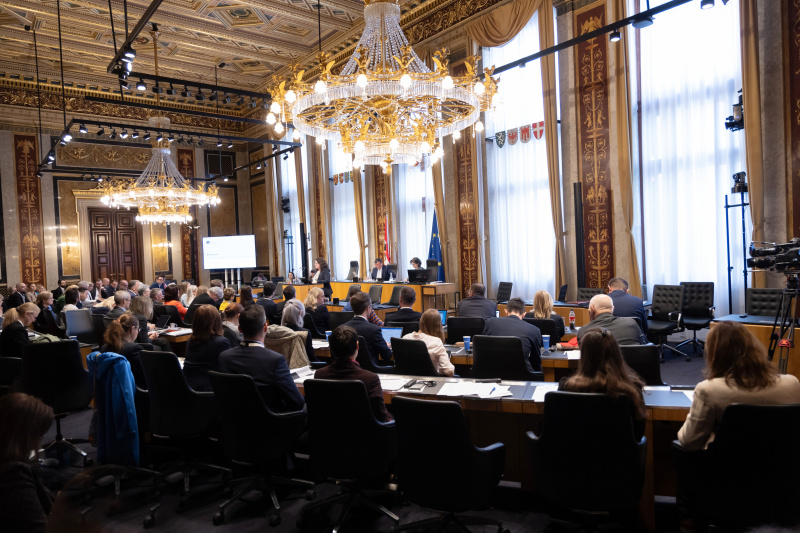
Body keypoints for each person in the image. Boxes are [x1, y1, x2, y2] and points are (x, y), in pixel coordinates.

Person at [677, 321, 800, 451]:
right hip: (783, 467)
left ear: (715, 355)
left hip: (728, 468)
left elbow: (689, 441)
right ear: (754, 348)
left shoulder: (708, 390)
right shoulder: (792, 384)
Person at [559, 329, 647, 439]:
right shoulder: (632, 390)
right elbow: (638, 433)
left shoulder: (566, 387)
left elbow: (560, 428)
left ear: (584, 356)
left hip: (575, 453)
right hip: (620, 455)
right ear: (616, 353)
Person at [218, 305, 305, 412]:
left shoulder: (224, 357)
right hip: (272, 424)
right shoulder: (275, 360)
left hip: (234, 422)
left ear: (240, 329)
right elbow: (297, 402)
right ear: (265, 328)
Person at [0, 393, 55, 533]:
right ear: (25, 435)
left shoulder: (9, 459)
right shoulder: (13, 473)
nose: (39, 441)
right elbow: (38, 527)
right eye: (40, 435)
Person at [315, 325, 392, 422]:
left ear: (330, 346)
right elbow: (383, 418)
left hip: (328, 433)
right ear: (357, 345)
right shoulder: (370, 379)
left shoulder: (319, 375)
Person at [483, 297, 543, 372]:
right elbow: (536, 362)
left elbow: (483, 350)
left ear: (506, 311)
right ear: (524, 314)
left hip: (492, 373)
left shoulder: (490, 322)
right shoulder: (534, 330)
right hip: (523, 376)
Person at [182, 304, 231, 391]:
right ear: (216, 321)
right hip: (211, 389)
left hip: (188, 387)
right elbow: (227, 368)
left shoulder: (190, 341)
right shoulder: (222, 342)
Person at [577, 294, 647, 346]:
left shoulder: (584, 332)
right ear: (613, 308)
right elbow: (644, 345)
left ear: (592, 309)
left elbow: (585, 357)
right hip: (631, 365)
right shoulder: (631, 324)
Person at [402, 309, 455, 376]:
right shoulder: (436, 342)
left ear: (421, 321)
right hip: (431, 382)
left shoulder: (405, 338)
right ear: (438, 325)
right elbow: (448, 371)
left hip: (407, 381)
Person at [100, 313, 147, 388]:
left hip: (111, 391)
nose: (138, 332)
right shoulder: (134, 349)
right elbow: (145, 375)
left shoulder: (104, 348)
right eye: (138, 329)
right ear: (132, 329)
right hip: (134, 393)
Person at [344, 292, 393, 362]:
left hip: (348, 371)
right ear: (368, 308)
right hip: (371, 371)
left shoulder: (342, 329)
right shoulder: (374, 330)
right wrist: (386, 346)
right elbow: (387, 355)